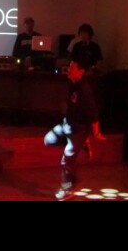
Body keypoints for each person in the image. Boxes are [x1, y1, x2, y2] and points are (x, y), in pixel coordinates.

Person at [44, 57, 106, 200]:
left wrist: (96, 133)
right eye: (69, 67)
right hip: (68, 125)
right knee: (48, 139)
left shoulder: (84, 90)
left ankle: (68, 189)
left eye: (72, 68)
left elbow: (93, 113)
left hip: (79, 130)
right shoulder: (73, 84)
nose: (69, 70)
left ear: (81, 71)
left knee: (66, 161)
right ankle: (81, 144)